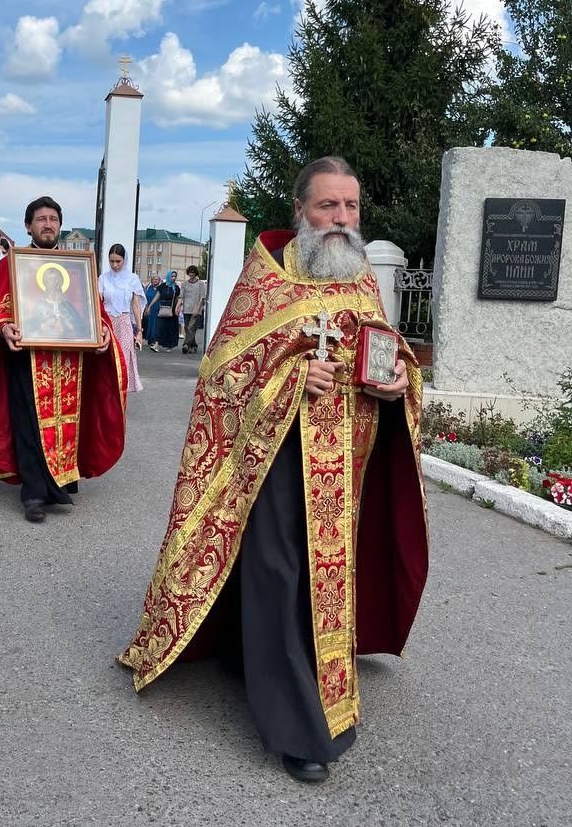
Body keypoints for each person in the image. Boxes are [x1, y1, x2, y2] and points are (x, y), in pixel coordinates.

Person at [120, 157, 428, 784]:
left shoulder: (361, 273)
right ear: (300, 212)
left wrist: (400, 379)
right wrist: (291, 376)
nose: (342, 220)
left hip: (344, 459)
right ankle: (298, 729)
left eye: (351, 207)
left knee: (323, 573)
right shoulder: (264, 278)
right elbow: (221, 376)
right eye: (328, 207)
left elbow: (384, 349)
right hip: (273, 456)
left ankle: (254, 652)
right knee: (281, 571)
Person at [0, 195, 127, 523]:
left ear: (60, 225)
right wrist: (4, 328)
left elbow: (93, 312)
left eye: (53, 219)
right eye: (41, 219)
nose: (48, 224)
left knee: (68, 422)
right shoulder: (12, 263)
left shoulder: (78, 266)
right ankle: (33, 493)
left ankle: (61, 480)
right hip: (27, 359)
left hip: (70, 361)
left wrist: (102, 332)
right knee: (29, 424)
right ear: (29, 226)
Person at [98, 243, 143, 394]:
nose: (115, 265)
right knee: (107, 358)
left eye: (118, 261)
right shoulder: (103, 278)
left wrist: (140, 330)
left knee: (123, 359)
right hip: (107, 323)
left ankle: (121, 394)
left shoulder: (132, 279)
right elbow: (98, 302)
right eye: (112, 261)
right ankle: (106, 393)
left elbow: (136, 306)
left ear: (125, 260)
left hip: (124, 323)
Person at [176, 265, 207, 355]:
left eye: (193, 272)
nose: (191, 274)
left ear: (195, 273)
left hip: (196, 309)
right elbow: (181, 296)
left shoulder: (201, 283)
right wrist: (177, 306)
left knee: (191, 327)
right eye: (190, 272)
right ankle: (193, 346)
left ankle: (186, 345)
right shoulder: (184, 284)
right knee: (187, 329)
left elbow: (202, 297)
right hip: (186, 309)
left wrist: (198, 309)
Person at [155, 270, 180, 351]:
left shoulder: (176, 288)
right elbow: (157, 296)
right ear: (169, 276)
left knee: (171, 328)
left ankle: (169, 345)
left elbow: (177, 299)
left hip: (172, 310)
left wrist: (177, 308)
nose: (173, 278)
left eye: (175, 276)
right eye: (172, 276)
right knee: (160, 327)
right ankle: (157, 344)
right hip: (163, 309)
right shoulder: (162, 286)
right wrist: (149, 306)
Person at [143, 276, 162, 351]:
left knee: (155, 324)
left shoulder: (160, 288)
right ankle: (150, 339)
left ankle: (155, 340)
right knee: (149, 324)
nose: (155, 281)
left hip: (157, 308)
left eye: (156, 279)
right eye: (154, 279)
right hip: (149, 308)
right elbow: (144, 298)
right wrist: (146, 308)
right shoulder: (148, 287)